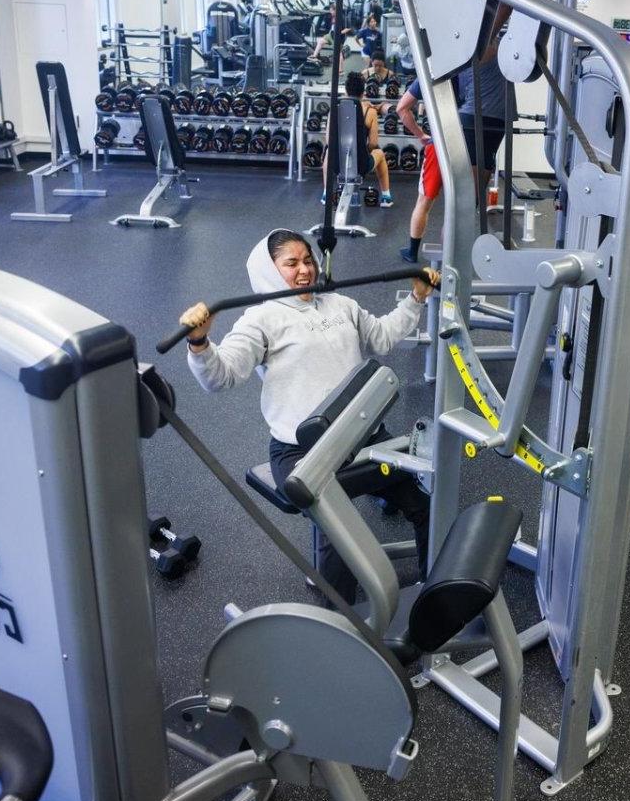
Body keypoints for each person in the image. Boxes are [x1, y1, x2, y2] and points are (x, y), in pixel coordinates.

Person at [180, 229, 439, 605]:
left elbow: (383, 338)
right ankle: (342, 626)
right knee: (340, 535)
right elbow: (220, 377)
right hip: (302, 451)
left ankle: (436, 590)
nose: (304, 270)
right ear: (270, 271)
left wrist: (416, 298)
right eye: (291, 264)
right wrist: (200, 343)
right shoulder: (261, 319)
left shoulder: (340, 304)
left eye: (308, 260)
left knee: (426, 502)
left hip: (363, 437)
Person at [397, 0, 518, 263]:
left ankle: (458, 261)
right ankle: (454, 262)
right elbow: (506, 1)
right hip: (476, 124)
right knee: (464, 204)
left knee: (469, 205)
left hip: (484, 123)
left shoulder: (457, 52)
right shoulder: (475, 47)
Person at [322, 71, 394, 207]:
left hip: (337, 165)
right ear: (363, 92)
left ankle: (326, 194)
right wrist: (361, 150)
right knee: (380, 154)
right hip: (361, 166)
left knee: (328, 152)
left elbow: (329, 141)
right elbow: (373, 143)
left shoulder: (334, 109)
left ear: (346, 90)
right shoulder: (370, 111)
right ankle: (386, 197)